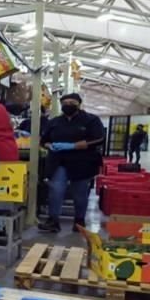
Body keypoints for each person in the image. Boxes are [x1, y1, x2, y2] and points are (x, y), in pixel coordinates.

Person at [38, 93, 105, 232]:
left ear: (79, 104)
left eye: (72, 102)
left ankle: (79, 221)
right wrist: (50, 146)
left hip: (83, 162)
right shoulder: (55, 122)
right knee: (56, 190)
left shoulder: (91, 120)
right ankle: (53, 221)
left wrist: (74, 146)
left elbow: (99, 138)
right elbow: (44, 140)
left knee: (79, 194)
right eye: (65, 102)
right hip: (59, 161)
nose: (68, 105)